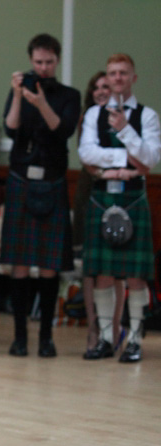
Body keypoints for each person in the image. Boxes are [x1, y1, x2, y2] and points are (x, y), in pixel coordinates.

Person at [0, 34, 81, 358]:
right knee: (19, 265)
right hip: (21, 180)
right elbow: (10, 128)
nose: (43, 68)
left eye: (48, 62)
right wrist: (20, 95)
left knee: (49, 267)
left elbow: (62, 131)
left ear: (57, 61)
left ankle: (46, 338)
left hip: (53, 180)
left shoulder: (69, 95)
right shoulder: (19, 88)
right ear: (31, 60)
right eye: (38, 62)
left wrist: (41, 101)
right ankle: (20, 338)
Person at [78, 53, 161, 363]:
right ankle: (107, 340)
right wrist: (125, 163)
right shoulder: (93, 115)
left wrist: (125, 130)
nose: (117, 78)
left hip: (133, 198)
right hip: (102, 197)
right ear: (108, 77)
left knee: (135, 275)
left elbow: (151, 159)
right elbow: (86, 152)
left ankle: (136, 340)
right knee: (102, 274)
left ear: (133, 78)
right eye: (112, 73)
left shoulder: (147, 116)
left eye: (123, 73)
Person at [74, 72, 126, 356]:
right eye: (96, 87)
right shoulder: (88, 119)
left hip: (119, 192)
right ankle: (94, 328)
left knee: (115, 266)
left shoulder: (126, 118)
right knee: (90, 267)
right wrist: (108, 167)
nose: (100, 91)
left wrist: (110, 165)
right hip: (89, 191)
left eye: (106, 87)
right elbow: (88, 159)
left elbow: (133, 156)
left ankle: (115, 327)